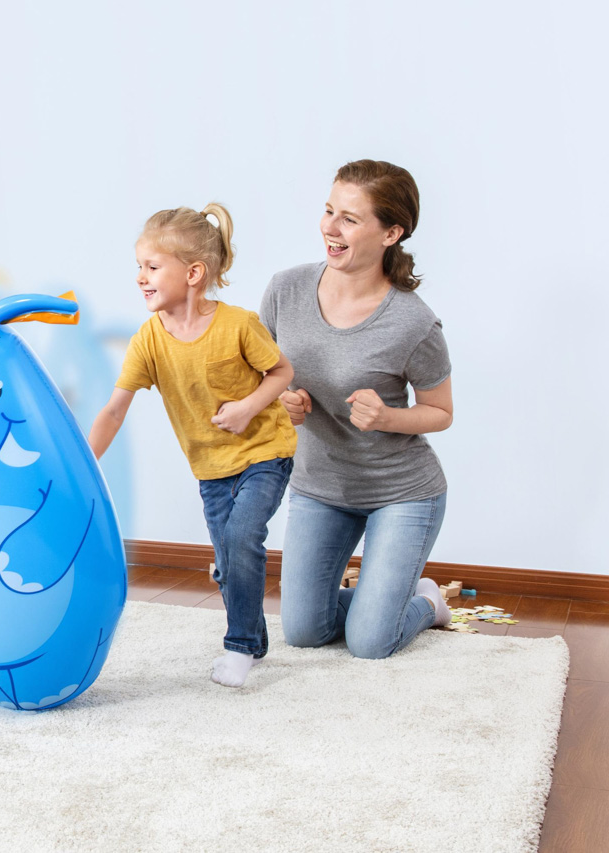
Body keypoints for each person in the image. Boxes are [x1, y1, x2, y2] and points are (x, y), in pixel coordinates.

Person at [91, 204, 297, 687]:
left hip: (265, 452)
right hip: (210, 468)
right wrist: (85, 462)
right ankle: (256, 640)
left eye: (152, 266)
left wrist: (247, 407)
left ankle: (239, 646)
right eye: (139, 266)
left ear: (193, 274)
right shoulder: (148, 341)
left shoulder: (239, 324)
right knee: (228, 563)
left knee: (242, 538)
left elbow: (282, 371)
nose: (140, 277)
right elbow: (114, 410)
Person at [260, 159, 454, 660]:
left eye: (349, 218)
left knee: (371, 642)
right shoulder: (285, 290)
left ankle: (426, 601)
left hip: (402, 493)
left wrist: (387, 417)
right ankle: (376, 603)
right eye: (329, 211)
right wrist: (280, 400)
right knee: (303, 631)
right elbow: (260, 376)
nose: (331, 227)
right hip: (321, 487)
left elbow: (440, 412)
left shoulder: (413, 322)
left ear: (391, 233)